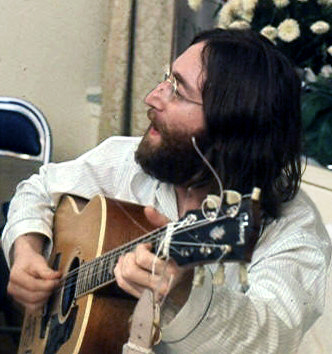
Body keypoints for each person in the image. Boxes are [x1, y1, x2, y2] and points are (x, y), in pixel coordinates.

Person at [2, 29, 331, 353]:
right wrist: (27, 250)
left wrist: (184, 295)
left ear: (229, 130)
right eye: (167, 79)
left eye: (178, 91)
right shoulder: (126, 160)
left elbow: (271, 338)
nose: (152, 97)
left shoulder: (293, 230)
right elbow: (39, 188)